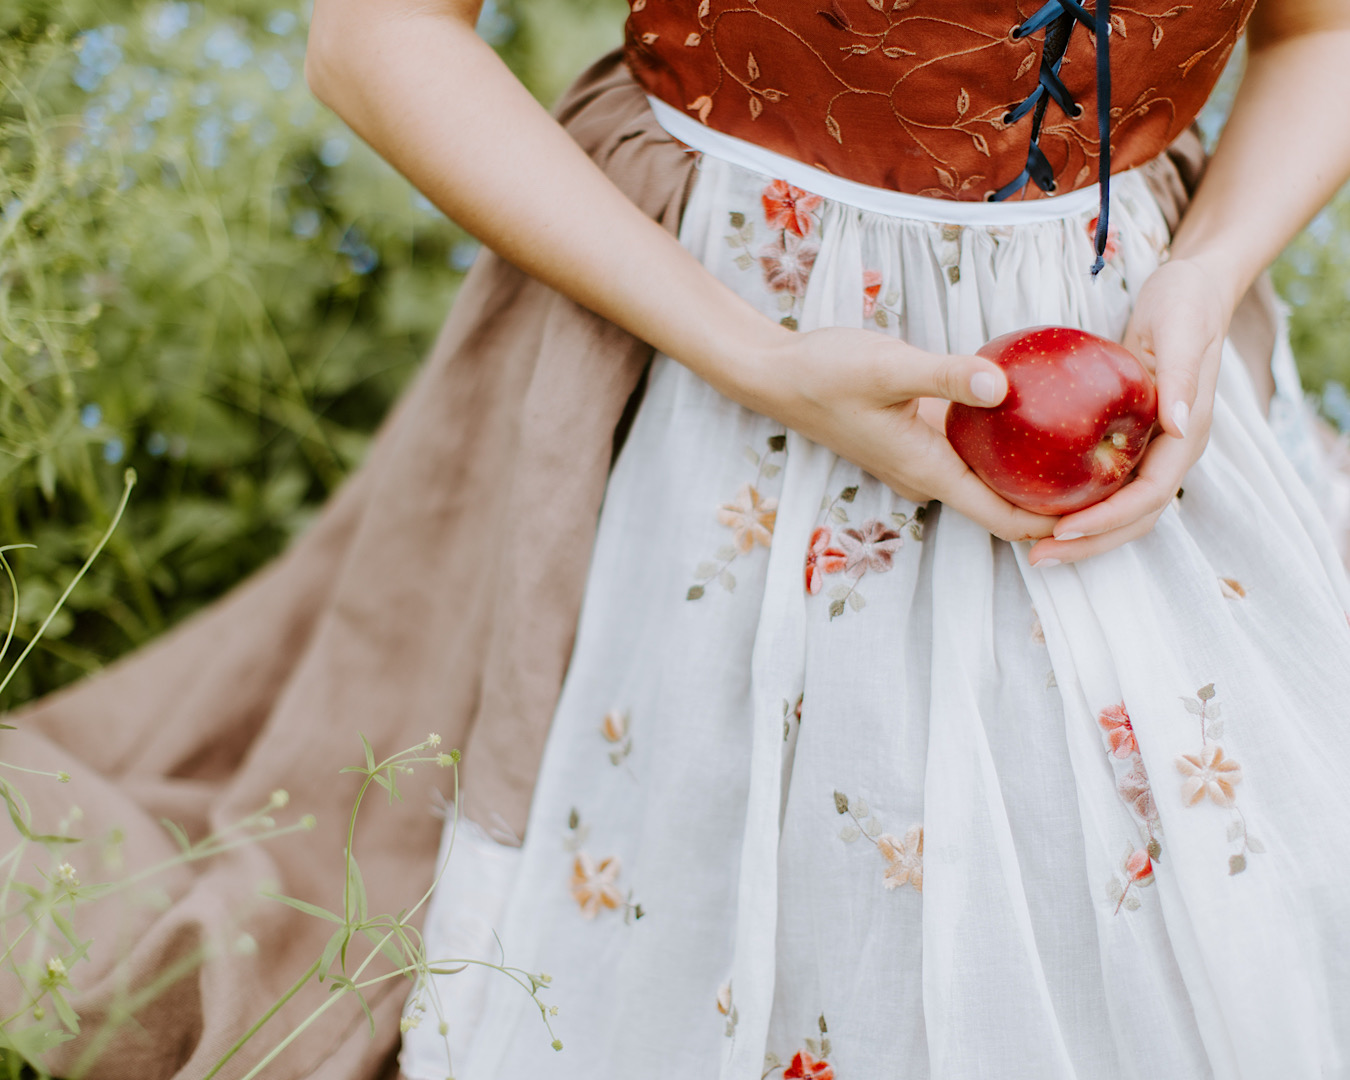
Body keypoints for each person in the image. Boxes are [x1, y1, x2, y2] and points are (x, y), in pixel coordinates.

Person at [301, 0, 1350, 1076]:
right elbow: (374, 35)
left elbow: (1323, 31)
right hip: (713, 317)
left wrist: (1209, 273)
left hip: (1126, 340)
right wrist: (750, 358)